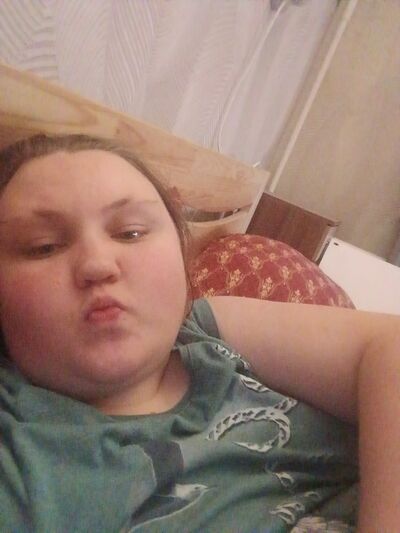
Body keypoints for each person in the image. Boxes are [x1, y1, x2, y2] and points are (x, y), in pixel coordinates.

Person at [0, 134, 398, 533]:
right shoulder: (19, 455)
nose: (98, 264)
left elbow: (389, 345)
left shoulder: (206, 327)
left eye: (131, 232)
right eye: (43, 247)